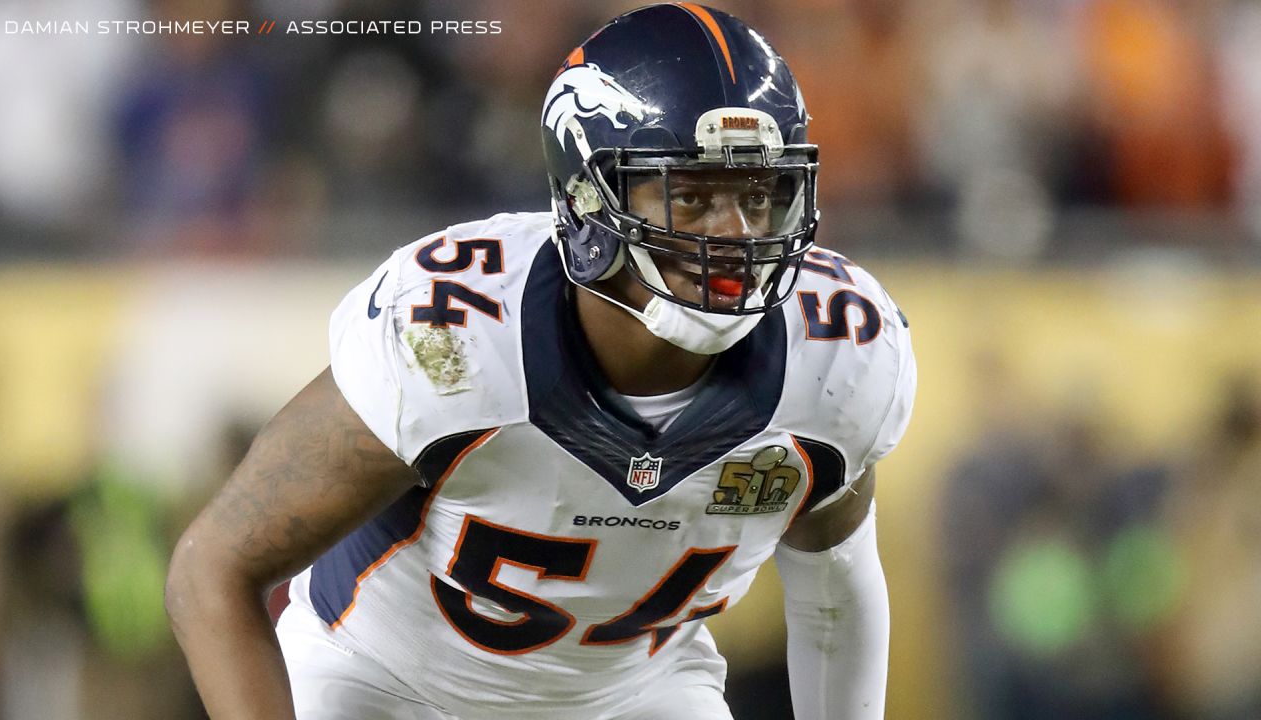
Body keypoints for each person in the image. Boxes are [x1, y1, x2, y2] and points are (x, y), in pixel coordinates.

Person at [164, 5, 916, 719]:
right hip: (385, 679)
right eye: (692, 197)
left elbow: (834, 593)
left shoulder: (836, 357)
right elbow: (213, 569)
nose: (737, 236)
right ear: (590, 197)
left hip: (633, 694)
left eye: (761, 194)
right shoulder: (456, 339)